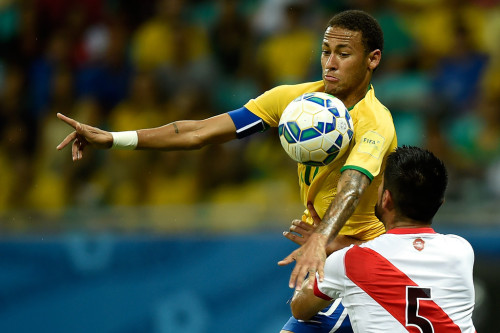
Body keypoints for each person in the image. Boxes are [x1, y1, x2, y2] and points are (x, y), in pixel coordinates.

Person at [56, 10, 397, 333]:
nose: (330, 63)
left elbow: (352, 186)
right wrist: (114, 138)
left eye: (343, 53)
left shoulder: (374, 122)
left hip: (367, 261)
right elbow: (198, 132)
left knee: (302, 313)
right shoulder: (294, 102)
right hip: (327, 258)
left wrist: (321, 239)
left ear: (373, 59)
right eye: (325, 51)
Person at [290, 146, 476, 332]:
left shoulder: (346, 262)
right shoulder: (461, 251)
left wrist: (319, 251)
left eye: (380, 183)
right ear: (440, 203)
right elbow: (403, 254)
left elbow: (299, 309)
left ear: (386, 198)